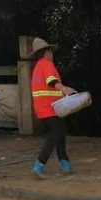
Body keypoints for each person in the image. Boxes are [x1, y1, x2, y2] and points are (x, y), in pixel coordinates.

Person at [29, 37, 76, 179]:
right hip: (51, 108)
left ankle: (65, 164)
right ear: (47, 52)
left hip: (44, 109)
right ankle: (38, 166)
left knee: (60, 135)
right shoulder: (47, 65)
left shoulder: (37, 68)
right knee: (53, 137)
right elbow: (51, 82)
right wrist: (64, 89)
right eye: (51, 52)